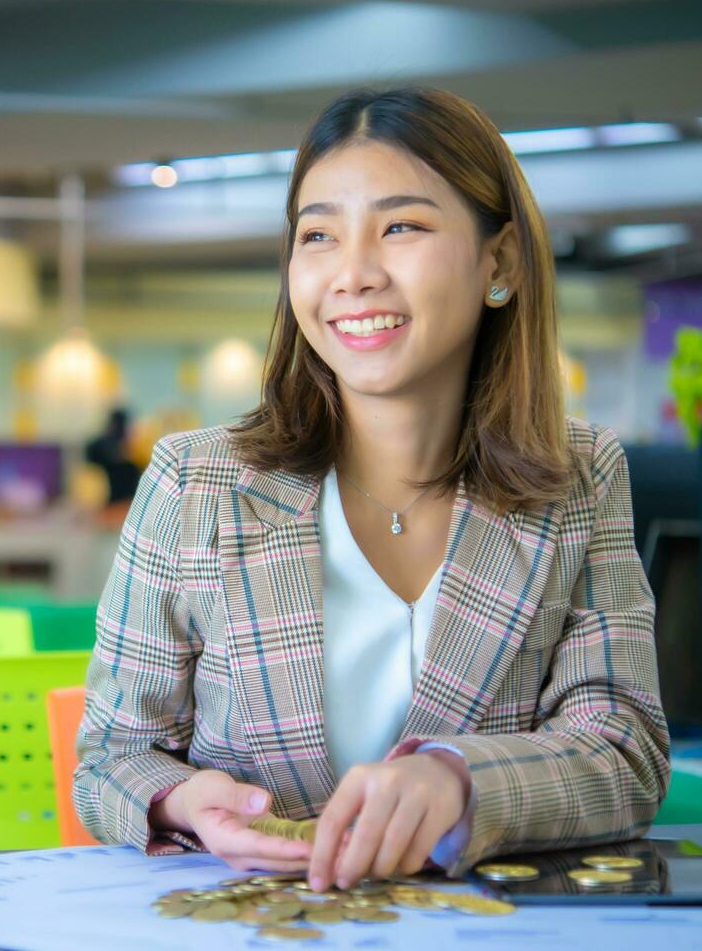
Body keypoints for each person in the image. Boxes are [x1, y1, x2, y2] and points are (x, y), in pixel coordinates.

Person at [73, 86, 670, 891]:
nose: (352, 274)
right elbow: (110, 758)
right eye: (318, 234)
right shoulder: (196, 484)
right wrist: (184, 799)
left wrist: (461, 779)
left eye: (401, 227)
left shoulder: (579, 477)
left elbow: (624, 748)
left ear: (499, 261)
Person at [84, 407, 143, 505]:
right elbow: (118, 456)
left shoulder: (107, 435)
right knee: (131, 470)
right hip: (111, 470)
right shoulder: (115, 437)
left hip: (109, 469)